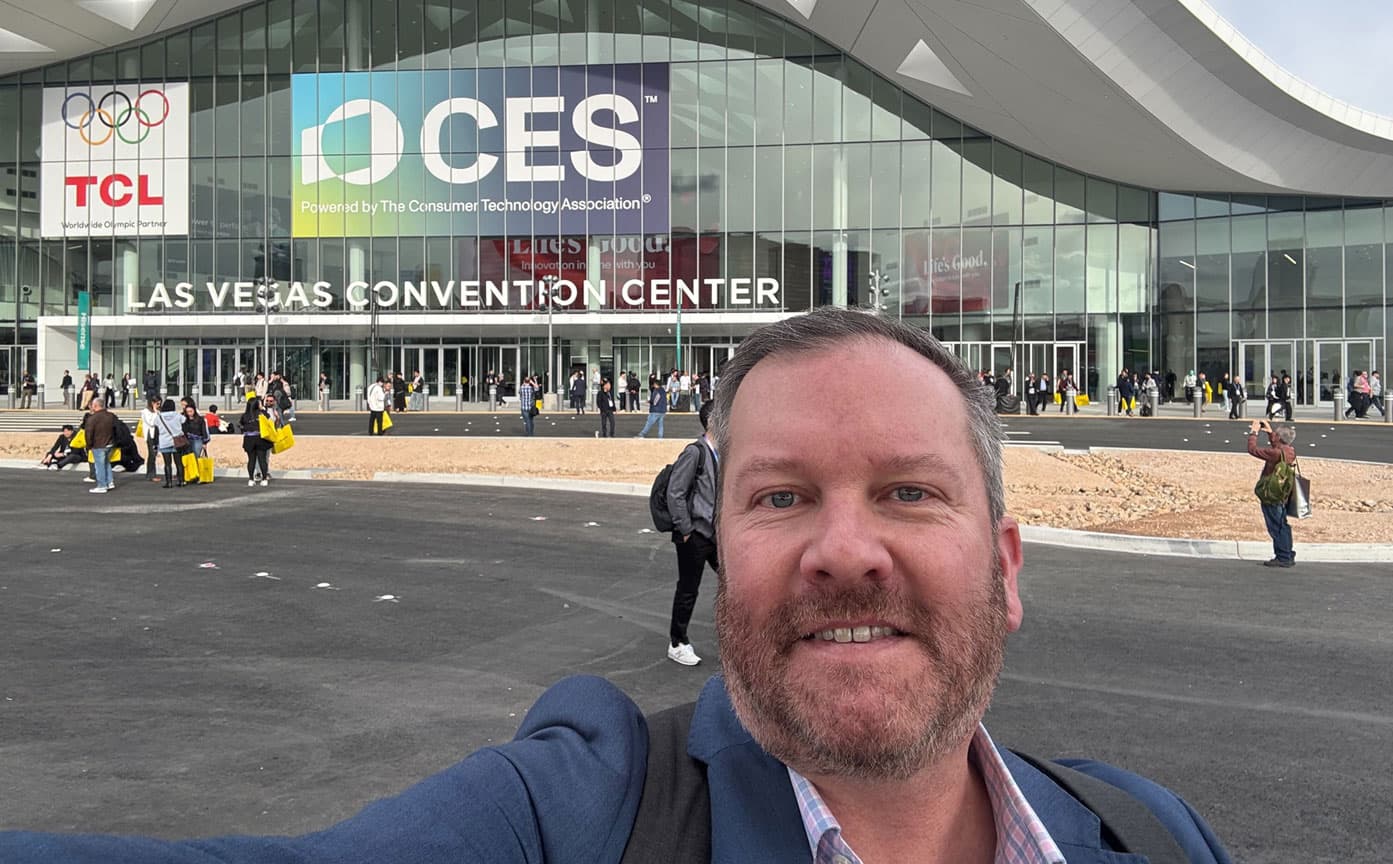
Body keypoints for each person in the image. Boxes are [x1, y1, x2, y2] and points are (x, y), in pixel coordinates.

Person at [0, 308, 1233, 864]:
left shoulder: (1152, 836)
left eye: (909, 492)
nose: (845, 550)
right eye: (780, 497)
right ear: (720, 548)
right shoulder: (586, 815)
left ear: (1006, 569)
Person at [664, 401, 719, 666]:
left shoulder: (722, 453)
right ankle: (677, 642)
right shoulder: (695, 452)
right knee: (688, 589)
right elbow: (675, 492)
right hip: (694, 534)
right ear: (712, 421)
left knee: (735, 583)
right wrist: (685, 529)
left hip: (715, 535)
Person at [1247, 419, 1297, 568]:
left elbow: (1252, 449)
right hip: (1282, 492)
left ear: (1279, 438)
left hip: (1271, 493)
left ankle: (1283, 557)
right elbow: (1278, 445)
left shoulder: (1275, 453)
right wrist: (1269, 431)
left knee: (1276, 526)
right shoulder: (1289, 451)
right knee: (1282, 524)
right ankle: (1287, 554)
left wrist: (1254, 432)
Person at [83, 399, 117, 493]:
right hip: (110, 443)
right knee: (106, 463)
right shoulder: (111, 416)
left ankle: (102, 485)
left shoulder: (92, 418)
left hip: (98, 444)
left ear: (95, 406)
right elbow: (116, 429)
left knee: (99, 466)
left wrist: (89, 445)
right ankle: (110, 482)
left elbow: (88, 434)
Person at [240, 395, 274, 487]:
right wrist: (262, 409)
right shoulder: (262, 413)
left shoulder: (245, 415)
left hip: (249, 439)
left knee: (251, 460)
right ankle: (264, 479)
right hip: (260, 438)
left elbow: (241, 425)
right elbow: (269, 420)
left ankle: (251, 479)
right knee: (262, 459)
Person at [152, 399, 187, 489]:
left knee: (167, 463)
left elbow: (155, 425)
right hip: (177, 442)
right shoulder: (177, 415)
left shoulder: (159, 417)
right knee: (179, 462)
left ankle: (169, 482)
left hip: (164, 441)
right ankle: (181, 481)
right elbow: (184, 421)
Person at [636, 373, 667, 439]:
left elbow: (655, 401)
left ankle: (642, 434)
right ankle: (660, 437)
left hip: (655, 410)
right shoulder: (663, 391)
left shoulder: (656, 391)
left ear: (656, 384)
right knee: (660, 425)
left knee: (649, 423)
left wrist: (650, 401)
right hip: (663, 410)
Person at [139, 397, 162, 483]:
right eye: (157, 403)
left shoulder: (158, 411)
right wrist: (155, 412)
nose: (159, 405)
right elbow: (151, 423)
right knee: (152, 454)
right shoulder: (146, 412)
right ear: (152, 403)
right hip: (150, 435)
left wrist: (157, 412)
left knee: (154, 454)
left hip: (156, 434)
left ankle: (151, 474)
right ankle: (151, 474)